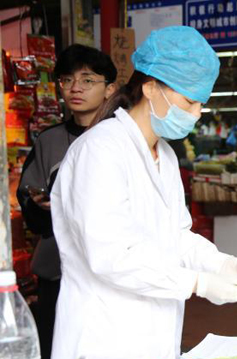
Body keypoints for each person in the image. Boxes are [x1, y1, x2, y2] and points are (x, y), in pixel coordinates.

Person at [49, 27, 237, 359]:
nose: (195, 114)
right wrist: (199, 283)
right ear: (150, 88)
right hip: (105, 335)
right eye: (189, 101)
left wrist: (219, 263)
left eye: (200, 104)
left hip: (155, 334)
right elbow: (110, 255)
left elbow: (176, 236)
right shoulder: (100, 150)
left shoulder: (164, 155)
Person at [17, 44, 117, 359]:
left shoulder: (123, 138)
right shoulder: (48, 141)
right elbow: (30, 205)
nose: (75, 88)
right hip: (56, 273)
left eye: (88, 80)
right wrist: (40, 205)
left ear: (109, 88)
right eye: (67, 80)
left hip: (111, 274)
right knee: (56, 348)